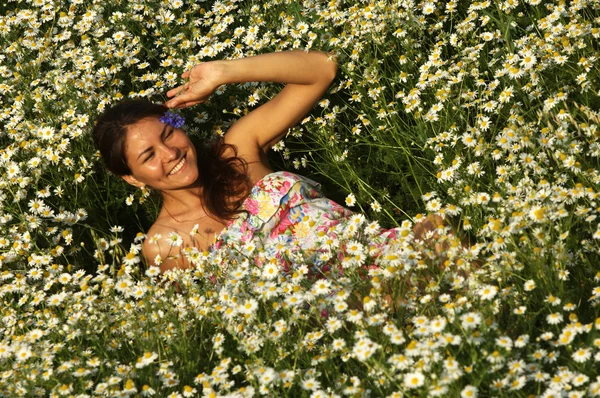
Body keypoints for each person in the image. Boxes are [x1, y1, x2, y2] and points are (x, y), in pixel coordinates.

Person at [93, 50, 456, 275]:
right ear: (132, 178)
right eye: (148, 156)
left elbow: (322, 69)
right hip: (340, 320)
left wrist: (224, 72)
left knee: (442, 236)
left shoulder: (237, 152)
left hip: (390, 252)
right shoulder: (164, 245)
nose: (169, 153)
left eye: (168, 134)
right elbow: (209, 324)